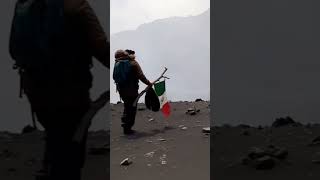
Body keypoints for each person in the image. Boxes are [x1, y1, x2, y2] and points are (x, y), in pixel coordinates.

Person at [9, 0, 109, 179]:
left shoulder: (24, 4)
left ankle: (50, 168)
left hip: (36, 91)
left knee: (55, 134)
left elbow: (13, 49)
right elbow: (101, 48)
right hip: (71, 94)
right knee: (70, 154)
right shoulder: (76, 6)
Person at [114, 49, 152, 135]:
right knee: (132, 108)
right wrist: (149, 83)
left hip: (121, 90)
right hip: (132, 90)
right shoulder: (133, 63)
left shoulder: (117, 63)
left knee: (127, 106)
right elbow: (141, 76)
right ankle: (128, 128)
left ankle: (125, 125)